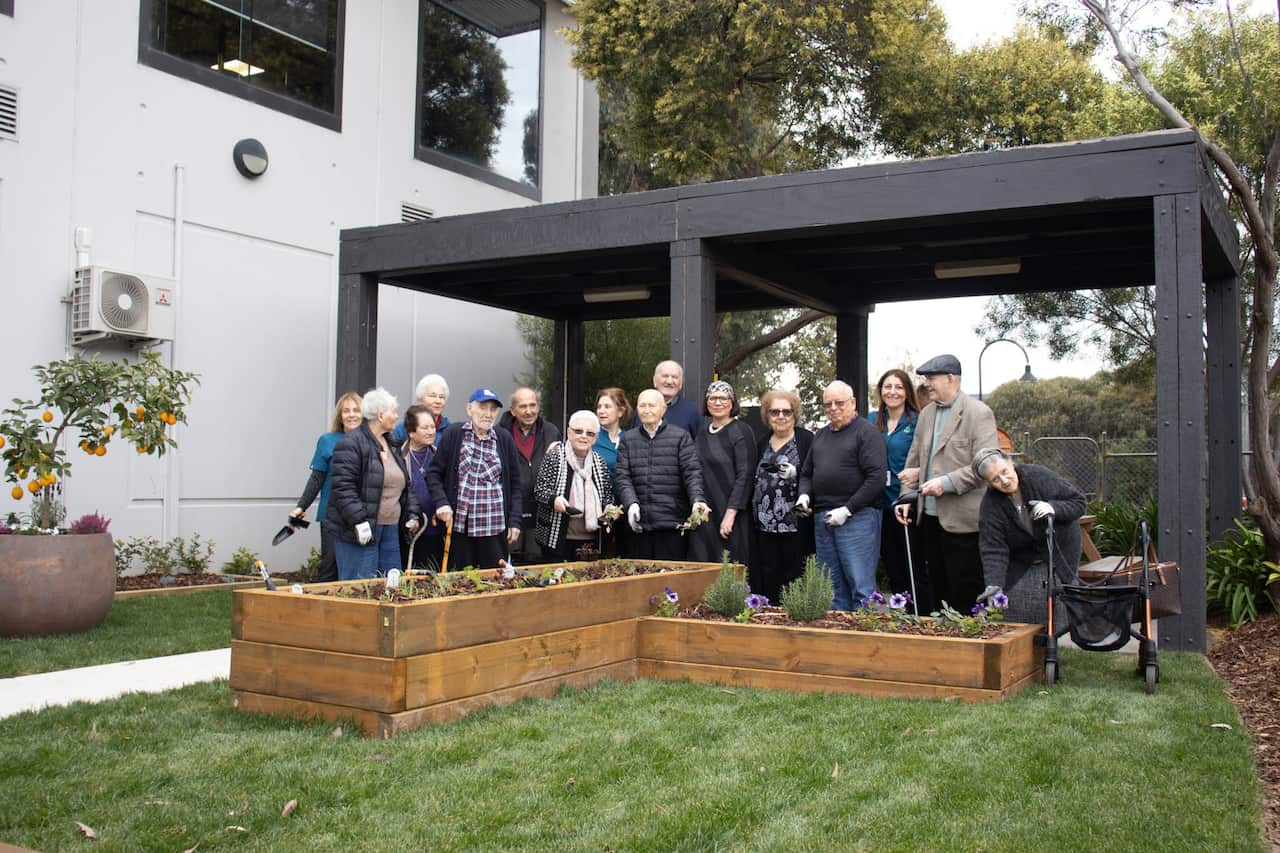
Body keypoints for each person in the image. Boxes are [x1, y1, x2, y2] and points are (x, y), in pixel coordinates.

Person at [897, 354, 1000, 614]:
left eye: (931, 378)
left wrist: (946, 483)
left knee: (966, 596)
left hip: (964, 523)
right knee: (938, 594)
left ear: (951, 378)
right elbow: (914, 459)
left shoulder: (979, 413)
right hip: (929, 519)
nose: (926, 384)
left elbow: (987, 465)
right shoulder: (926, 414)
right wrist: (906, 497)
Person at [796, 381, 887, 611]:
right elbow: (806, 474)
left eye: (839, 403)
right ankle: (839, 632)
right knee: (832, 588)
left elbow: (876, 478)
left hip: (857, 518)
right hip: (824, 519)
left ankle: (865, 631)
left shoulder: (867, 433)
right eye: (828, 404)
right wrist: (804, 496)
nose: (833, 408)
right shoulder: (820, 436)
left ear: (853, 402)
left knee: (861, 587)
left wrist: (848, 510)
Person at [975, 448, 1086, 624]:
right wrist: (994, 584)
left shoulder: (1038, 476)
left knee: (1059, 601)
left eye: (1005, 472)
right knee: (1016, 601)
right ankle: (1028, 638)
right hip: (1024, 558)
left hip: (1060, 551)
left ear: (1011, 463)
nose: (1004, 481)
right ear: (988, 483)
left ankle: (1056, 637)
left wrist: (1053, 508)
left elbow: (1078, 503)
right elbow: (993, 549)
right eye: (995, 479)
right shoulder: (990, 506)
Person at [325, 388, 421, 580]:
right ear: (380, 415)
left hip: (390, 528)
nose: (396, 417)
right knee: (359, 586)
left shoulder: (392, 444)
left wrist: (412, 513)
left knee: (390, 584)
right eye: (393, 412)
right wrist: (359, 521)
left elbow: (405, 485)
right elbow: (344, 488)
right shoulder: (351, 443)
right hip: (359, 530)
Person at [428, 388, 522, 570]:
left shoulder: (504, 438)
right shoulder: (454, 434)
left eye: (493, 409)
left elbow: (516, 484)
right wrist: (442, 502)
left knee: (495, 578)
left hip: (494, 526)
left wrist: (515, 520)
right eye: (483, 408)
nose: (488, 414)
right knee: (460, 579)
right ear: (469, 409)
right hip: (459, 527)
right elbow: (433, 473)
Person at [615, 389, 710, 560]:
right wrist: (631, 504)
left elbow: (692, 473)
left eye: (652, 405)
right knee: (640, 574)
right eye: (642, 405)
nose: (647, 410)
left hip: (671, 524)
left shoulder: (680, 437)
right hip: (639, 524)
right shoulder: (628, 440)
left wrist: (697, 499)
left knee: (670, 575)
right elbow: (623, 476)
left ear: (663, 409)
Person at [867, 369, 931, 609]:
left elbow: (928, 459)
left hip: (906, 504)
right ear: (880, 391)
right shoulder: (872, 420)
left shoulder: (917, 421)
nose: (892, 392)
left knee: (913, 566)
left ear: (907, 392)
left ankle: (921, 614)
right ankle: (901, 614)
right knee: (892, 565)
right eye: (888, 386)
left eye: (898, 387)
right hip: (879, 504)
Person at [290, 391, 363, 583]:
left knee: (357, 570)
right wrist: (301, 507)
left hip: (361, 515)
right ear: (340, 416)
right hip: (331, 515)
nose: (351, 415)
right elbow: (317, 478)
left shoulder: (372, 441)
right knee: (330, 567)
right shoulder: (327, 441)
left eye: (356, 410)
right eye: (346, 411)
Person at [750, 388, 813, 602]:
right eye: (774, 412)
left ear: (794, 414)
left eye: (786, 411)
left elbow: (816, 474)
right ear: (767, 415)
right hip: (763, 526)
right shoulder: (761, 443)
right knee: (768, 577)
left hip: (795, 525)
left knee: (794, 578)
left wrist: (797, 474)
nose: (781, 416)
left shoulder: (806, 441)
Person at [688, 381, 757, 566]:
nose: (717, 403)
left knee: (729, 565)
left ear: (732, 402)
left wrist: (731, 513)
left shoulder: (741, 431)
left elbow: (745, 475)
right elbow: (695, 470)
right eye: (712, 398)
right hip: (705, 512)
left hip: (731, 512)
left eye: (723, 398)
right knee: (702, 564)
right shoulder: (702, 434)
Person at [534, 410, 614, 561]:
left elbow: (607, 498)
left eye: (590, 433)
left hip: (591, 541)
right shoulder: (555, 456)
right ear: (569, 432)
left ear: (595, 438)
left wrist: (610, 510)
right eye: (578, 431)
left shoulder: (600, 463)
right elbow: (540, 490)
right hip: (556, 539)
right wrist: (554, 500)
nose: (584, 436)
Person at [497, 387, 561, 563]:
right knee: (509, 562)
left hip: (542, 510)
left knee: (537, 561)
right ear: (512, 410)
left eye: (533, 405)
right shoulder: (499, 434)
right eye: (523, 406)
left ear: (539, 407)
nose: (529, 411)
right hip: (510, 510)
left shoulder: (551, 431)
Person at [400, 404, 444, 572]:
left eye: (432, 427)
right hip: (410, 531)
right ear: (411, 432)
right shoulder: (400, 457)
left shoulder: (439, 455)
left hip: (437, 530)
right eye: (425, 428)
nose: (431, 431)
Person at [632, 360, 703, 435]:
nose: (669, 381)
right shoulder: (642, 410)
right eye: (665, 376)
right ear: (654, 381)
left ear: (681, 383)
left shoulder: (692, 411)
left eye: (674, 377)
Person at [390, 373, 450, 448]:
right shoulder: (402, 429)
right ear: (420, 398)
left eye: (442, 397)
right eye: (432, 396)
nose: (438, 401)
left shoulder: (450, 431)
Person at [592, 387, 632, 479]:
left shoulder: (629, 439)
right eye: (599, 407)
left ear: (620, 412)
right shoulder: (591, 436)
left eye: (607, 407)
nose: (601, 411)